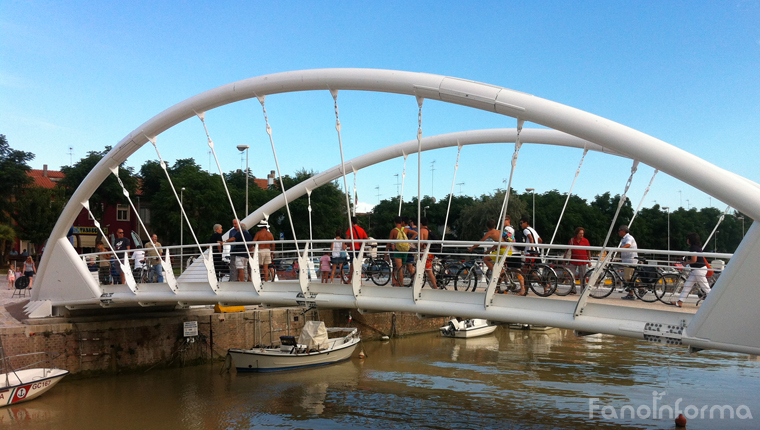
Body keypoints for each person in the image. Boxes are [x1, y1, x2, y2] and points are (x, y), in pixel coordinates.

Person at [673, 233, 711, 307]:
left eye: (688, 239)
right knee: (687, 285)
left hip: (698, 270)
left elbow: (694, 260)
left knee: (706, 288)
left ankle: (716, 302)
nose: (687, 240)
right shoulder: (697, 247)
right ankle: (680, 302)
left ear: (690, 240)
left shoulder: (694, 248)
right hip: (696, 270)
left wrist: (685, 263)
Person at [389, 216, 417, 287]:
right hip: (405, 250)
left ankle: (400, 284)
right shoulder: (405, 229)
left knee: (399, 268)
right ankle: (402, 283)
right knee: (403, 268)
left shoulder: (394, 231)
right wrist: (409, 241)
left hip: (398, 251)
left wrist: (386, 252)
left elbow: (389, 242)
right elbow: (416, 233)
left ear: (395, 222)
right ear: (401, 222)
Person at [344, 216, 369, 283]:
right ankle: (360, 281)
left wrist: (346, 243)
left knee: (352, 265)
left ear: (351, 222)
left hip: (353, 249)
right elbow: (366, 238)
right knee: (359, 265)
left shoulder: (350, 229)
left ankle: (349, 280)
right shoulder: (361, 229)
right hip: (360, 249)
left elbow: (347, 240)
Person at [618, 225, 639, 300]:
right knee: (629, 278)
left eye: (619, 230)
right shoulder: (624, 238)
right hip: (627, 260)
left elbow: (628, 244)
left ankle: (632, 293)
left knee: (628, 277)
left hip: (630, 260)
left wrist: (619, 249)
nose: (618, 232)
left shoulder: (628, 238)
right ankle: (639, 290)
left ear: (623, 231)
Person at [568, 227, 591, 293]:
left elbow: (588, 251)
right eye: (580, 233)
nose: (582, 235)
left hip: (583, 260)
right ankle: (573, 290)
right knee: (571, 275)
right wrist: (565, 259)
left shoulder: (585, 241)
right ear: (577, 234)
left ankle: (583, 290)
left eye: (582, 233)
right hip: (573, 260)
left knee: (583, 276)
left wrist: (589, 261)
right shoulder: (572, 240)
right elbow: (568, 250)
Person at [419, 217, 438, 289]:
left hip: (425, 252)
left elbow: (421, 242)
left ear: (421, 223)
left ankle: (435, 287)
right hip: (430, 252)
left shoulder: (422, 230)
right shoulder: (429, 230)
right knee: (428, 270)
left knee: (429, 271)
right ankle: (434, 285)